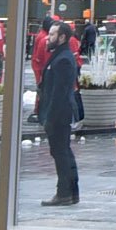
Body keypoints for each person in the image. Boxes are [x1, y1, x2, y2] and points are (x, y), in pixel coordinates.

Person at [36, 23, 84, 206]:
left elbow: (59, 93)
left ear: (62, 37)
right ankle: (70, 192)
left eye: (52, 34)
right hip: (59, 113)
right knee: (62, 152)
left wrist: (50, 118)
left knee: (61, 153)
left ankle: (64, 192)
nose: (48, 38)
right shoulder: (60, 56)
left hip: (60, 114)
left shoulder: (63, 59)